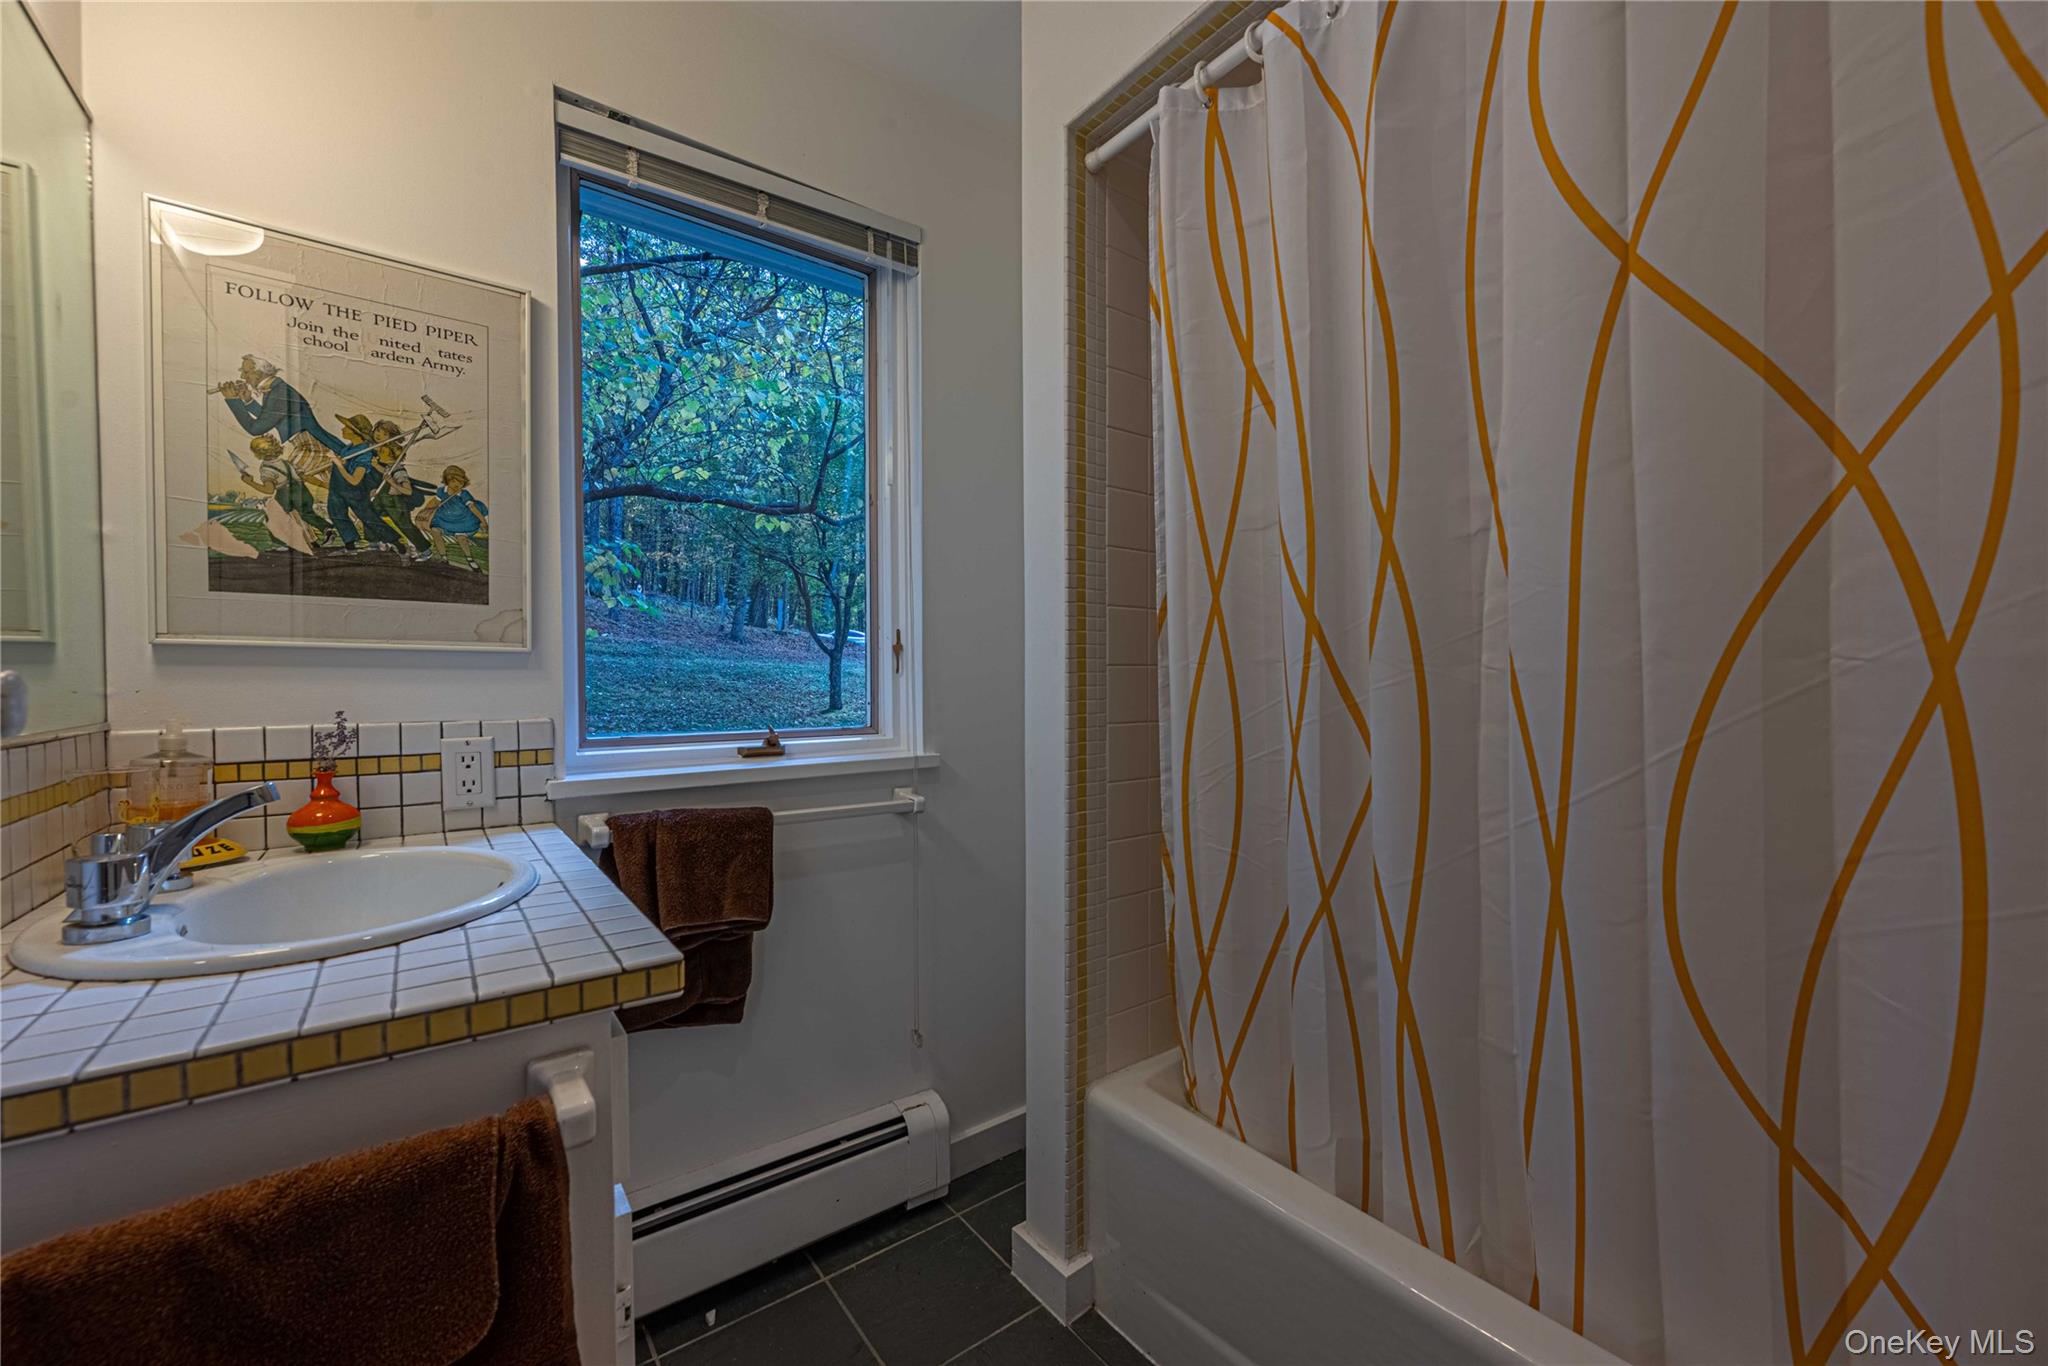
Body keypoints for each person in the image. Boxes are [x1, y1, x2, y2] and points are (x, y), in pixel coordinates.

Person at [215, 355, 350, 454]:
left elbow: (255, 429)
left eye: (246, 372)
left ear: (259, 373)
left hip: (315, 447)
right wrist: (248, 401)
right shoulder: (276, 388)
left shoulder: (279, 393)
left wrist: (233, 400)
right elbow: (271, 417)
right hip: (306, 444)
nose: (243, 377)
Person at [320, 414, 402, 551]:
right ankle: (350, 545)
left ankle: (396, 543)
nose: (342, 429)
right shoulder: (349, 448)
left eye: (347, 427)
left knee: (367, 517)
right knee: (336, 513)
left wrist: (338, 463)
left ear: (356, 433)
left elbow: (355, 480)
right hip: (337, 489)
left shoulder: (365, 453)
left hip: (353, 491)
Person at [237, 434, 332, 544]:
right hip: (302, 490)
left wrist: (251, 483)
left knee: (274, 517)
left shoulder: (266, 468)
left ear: (258, 453)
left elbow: (269, 490)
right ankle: (326, 529)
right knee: (307, 514)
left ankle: (282, 543)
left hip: (285, 493)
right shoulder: (285, 463)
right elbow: (302, 476)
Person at [366, 420, 433, 557]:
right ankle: (374, 543)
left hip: (394, 501)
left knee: (404, 524)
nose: (378, 435)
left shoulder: (397, 469)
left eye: (384, 433)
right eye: (377, 430)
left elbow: (407, 490)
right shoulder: (375, 456)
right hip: (379, 497)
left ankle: (425, 550)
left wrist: (393, 483)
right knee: (368, 514)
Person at [418, 464, 489, 571]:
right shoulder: (442, 491)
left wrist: (483, 521)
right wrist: (424, 512)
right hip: (444, 519)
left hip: (462, 520)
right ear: (447, 481)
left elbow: (472, 507)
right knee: (435, 530)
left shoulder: (464, 494)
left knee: (461, 538)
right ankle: (443, 557)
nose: (457, 485)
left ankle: (470, 560)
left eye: (460, 482)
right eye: (454, 482)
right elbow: (434, 503)